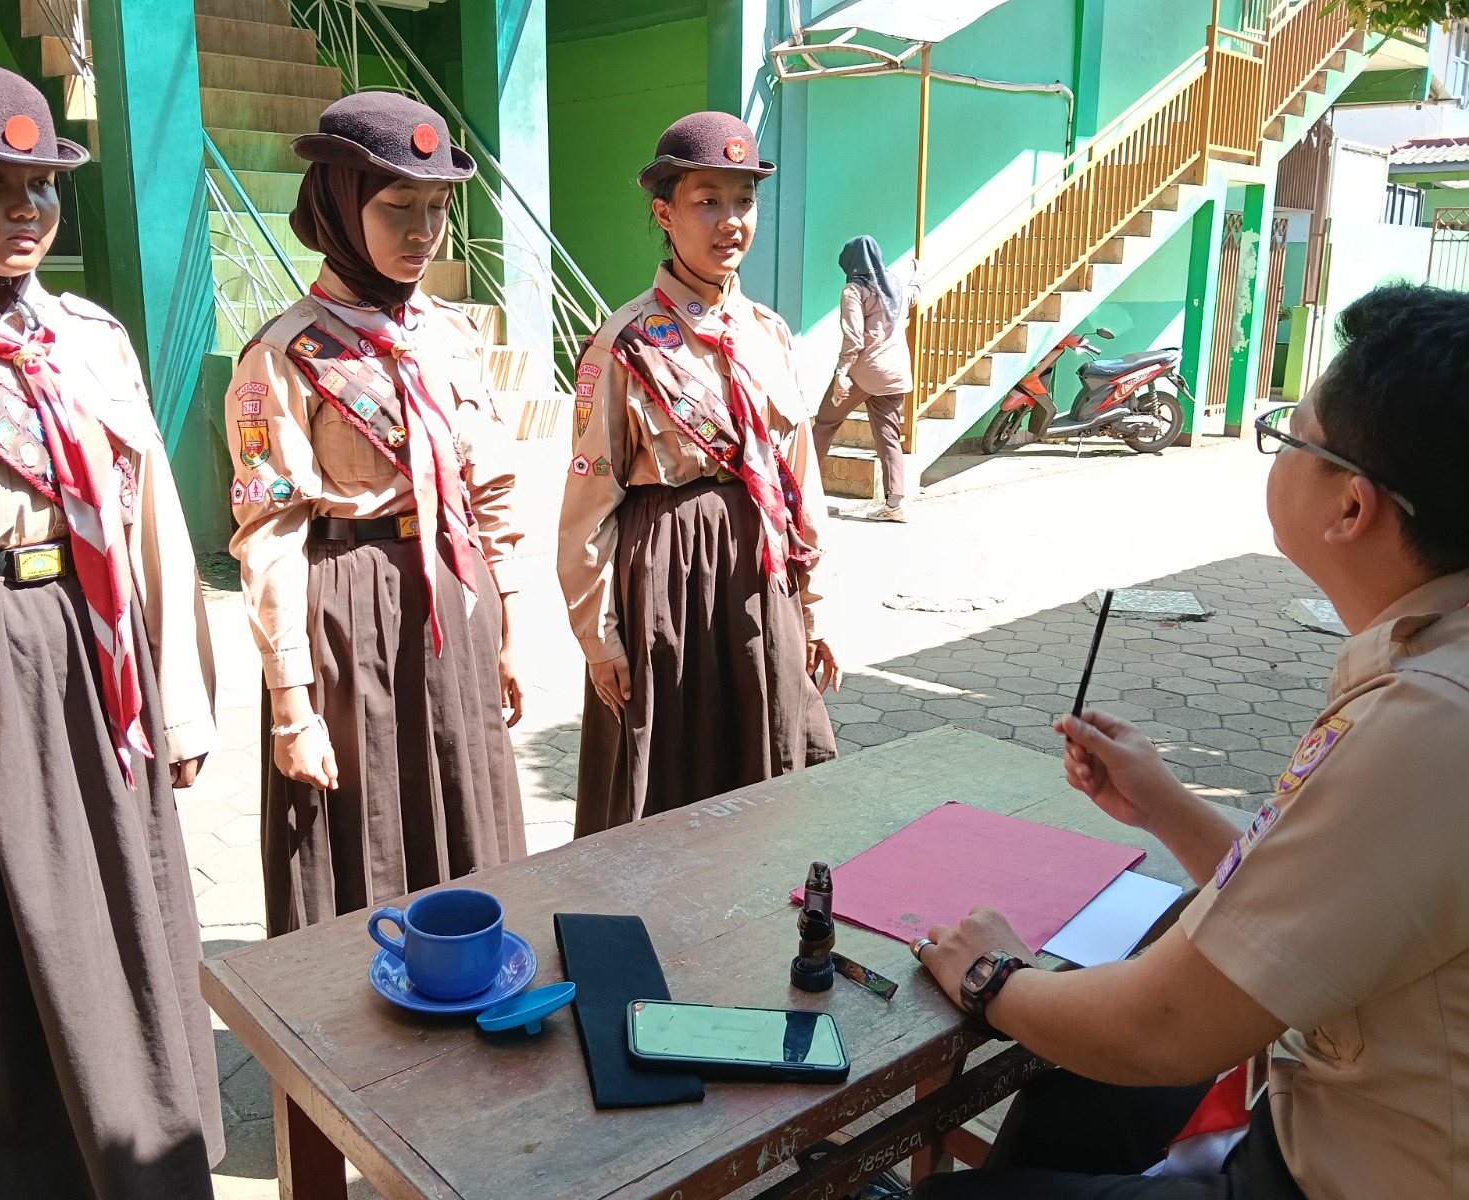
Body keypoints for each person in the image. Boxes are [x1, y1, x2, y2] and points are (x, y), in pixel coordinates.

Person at [910, 283, 1469, 1198]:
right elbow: (1313, 904)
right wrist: (1165, 805)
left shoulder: (1425, 725)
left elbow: (1162, 1024)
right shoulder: (1434, 666)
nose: (1277, 449)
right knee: (1076, 1090)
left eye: (1293, 435)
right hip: (1341, 1112)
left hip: (1340, 1174)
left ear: (1352, 509)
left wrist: (992, 976)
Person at [0, 58, 223, 1195]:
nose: (28, 211)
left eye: (44, 186)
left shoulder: (86, 337)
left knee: (125, 920)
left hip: (95, 660)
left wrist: (176, 695)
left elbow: (150, 517)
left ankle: (153, 1167)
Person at [228, 91, 525, 937]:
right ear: (336, 205)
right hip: (347, 617)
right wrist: (292, 701)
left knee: (466, 808)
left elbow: (489, 487)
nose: (423, 230)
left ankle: (470, 999)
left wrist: (504, 623)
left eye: (436, 207)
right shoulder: (284, 355)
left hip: (451, 600)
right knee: (366, 838)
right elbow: (270, 532)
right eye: (398, 206)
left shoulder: (455, 334)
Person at [557, 110, 839, 836]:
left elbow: (799, 479)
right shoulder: (622, 345)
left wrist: (812, 608)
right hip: (669, 582)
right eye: (706, 200)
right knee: (668, 778)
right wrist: (601, 638)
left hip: (759, 578)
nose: (729, 221)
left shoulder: (770, 334)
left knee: (766, 754)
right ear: (664, 213)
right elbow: (589, 503)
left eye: (743, 200)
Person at [812, 235, 917, 523]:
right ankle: (895, 503)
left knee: (824, 423)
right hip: (896, 373)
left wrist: (841, 373)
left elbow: (853, 337)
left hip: (865, 371)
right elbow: (912, 296)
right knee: (889, 436)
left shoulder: (854, 291)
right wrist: (918, 278)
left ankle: (800, 490)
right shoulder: (894, 283)